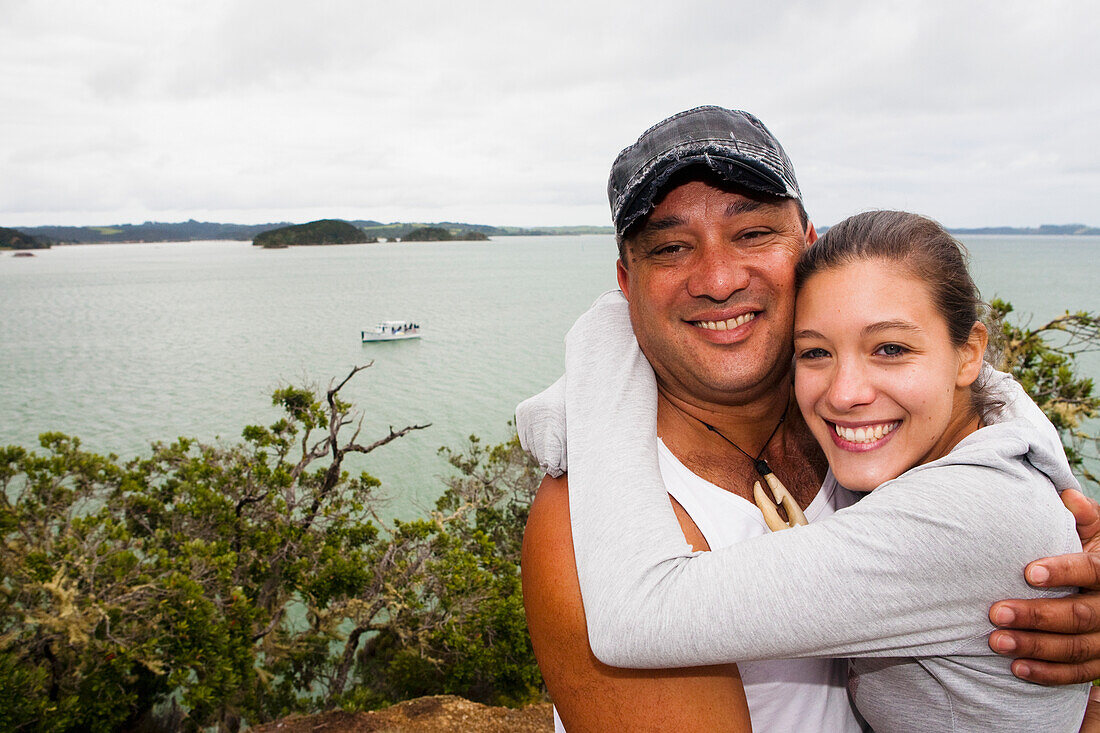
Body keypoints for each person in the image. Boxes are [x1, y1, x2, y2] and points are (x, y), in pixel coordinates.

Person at [518, 106, 1100, 731]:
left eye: (753, 234)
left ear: (808, 250)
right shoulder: (597, 524)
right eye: (669, 248)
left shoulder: (867, 440)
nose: (717, 279)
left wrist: (1056, 490)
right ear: (627, 283)